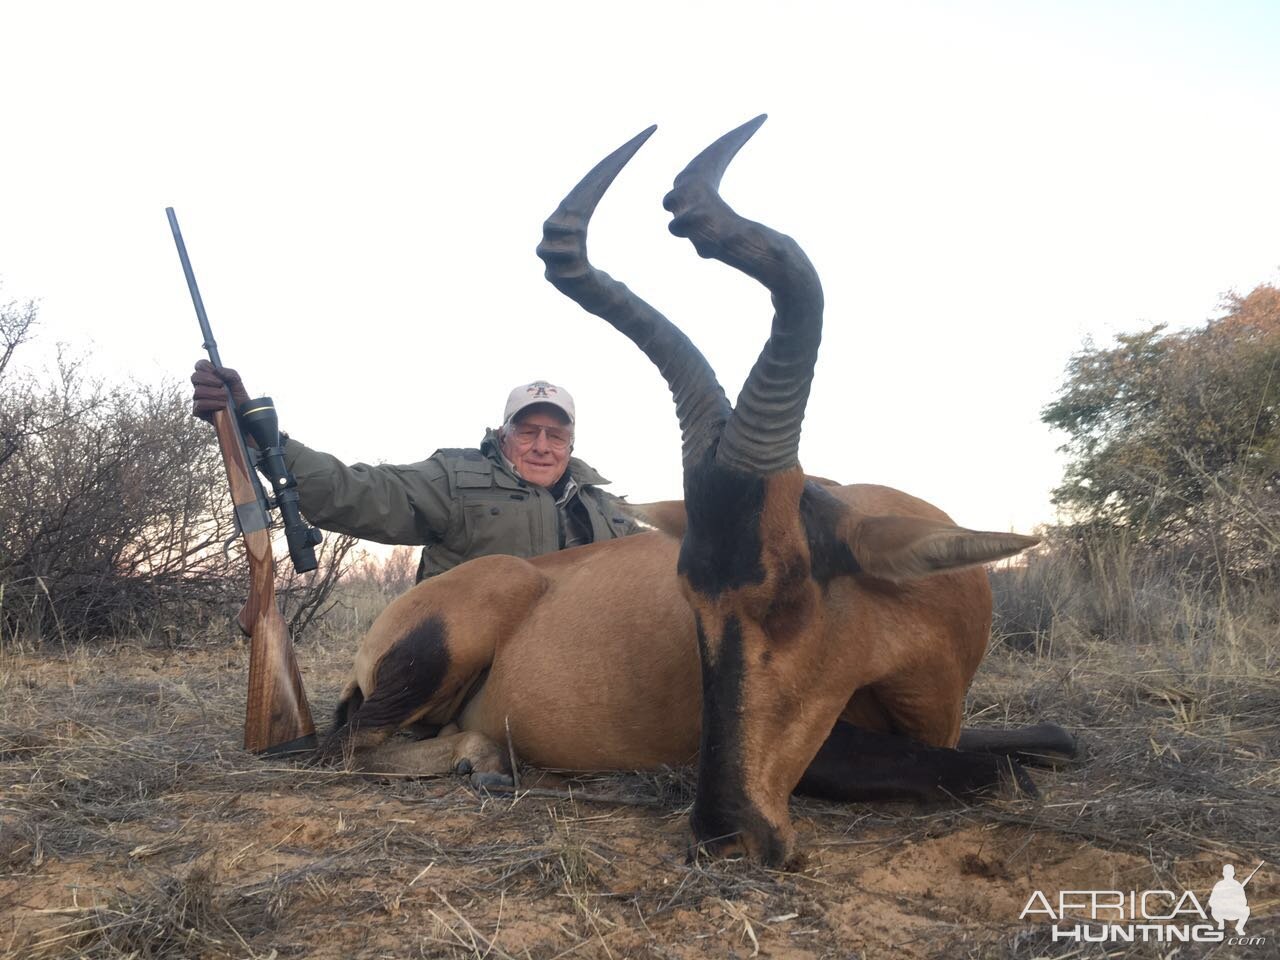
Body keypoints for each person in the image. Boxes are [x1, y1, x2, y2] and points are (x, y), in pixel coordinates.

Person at [191, 361, 641, 581]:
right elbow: (356, 492)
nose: (542, 447)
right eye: (527, 432)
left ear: (571, 443)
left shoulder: (606, 510)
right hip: (479, 656)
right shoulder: (453, 479)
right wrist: (263, 439)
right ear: (503, 435)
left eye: (555, 435)